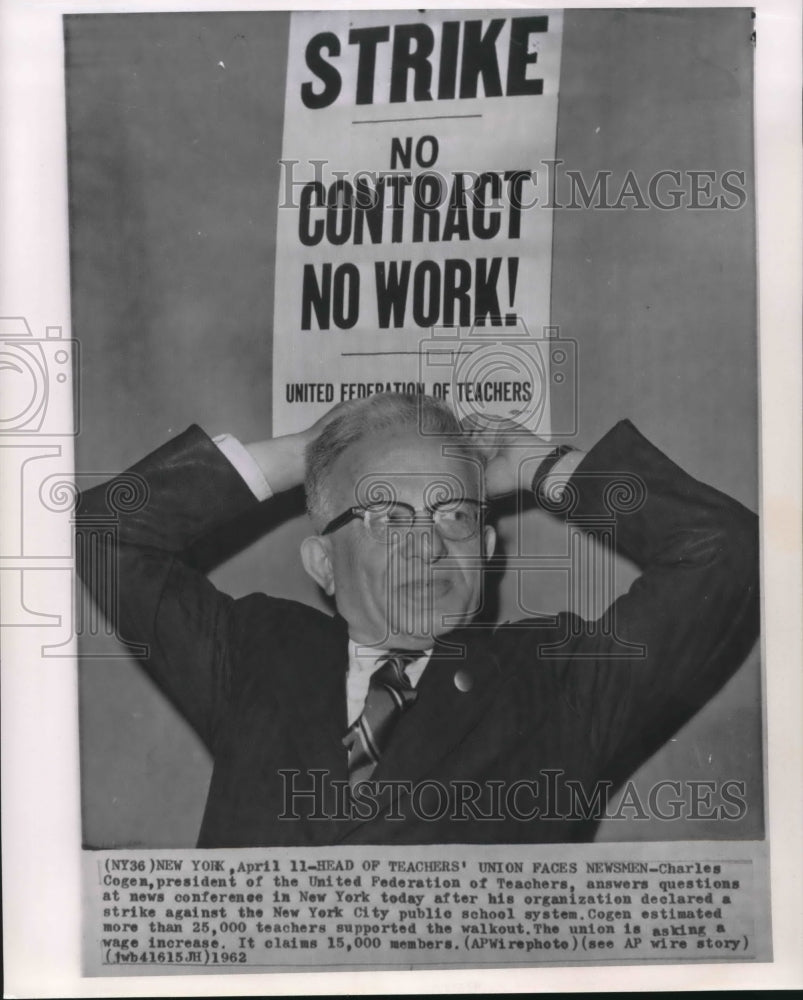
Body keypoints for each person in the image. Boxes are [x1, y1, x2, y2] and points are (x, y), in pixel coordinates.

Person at [76, 392, 759, 846]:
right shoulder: (253, 654)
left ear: (487, 552)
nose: (428, 543)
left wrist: (536, 464)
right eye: (385, 517)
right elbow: (108, 530)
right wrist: (305, 452)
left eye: (454, 515)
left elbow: (722, 553)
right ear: (321, 563)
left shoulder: (561, 681)